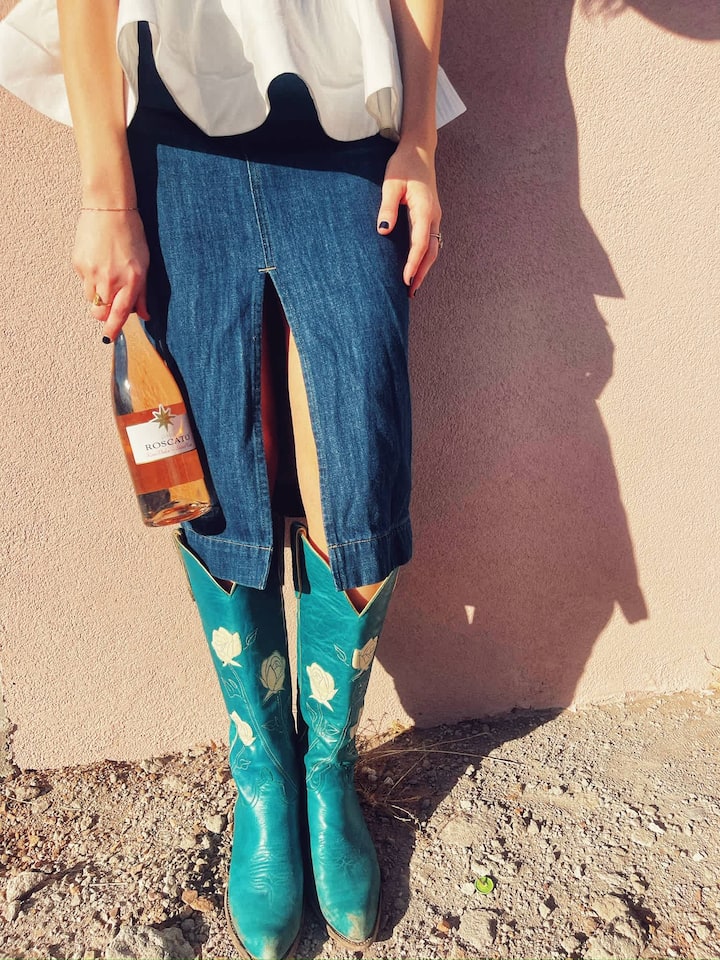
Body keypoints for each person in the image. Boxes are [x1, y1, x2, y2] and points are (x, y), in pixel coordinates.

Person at [0, 2, 464, 957]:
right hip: (173, 128)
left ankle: (326, 767)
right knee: (212, 470)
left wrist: (419, 141)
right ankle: (264, 770)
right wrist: (106, 198)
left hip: (347, 127)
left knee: (359, 469)